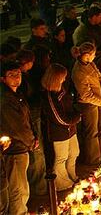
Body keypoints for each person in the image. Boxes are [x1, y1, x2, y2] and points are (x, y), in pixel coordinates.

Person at [0, 60, 37, 215]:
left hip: (21, 146)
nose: (16, 77)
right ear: (2, 79)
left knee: (21, 187)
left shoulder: (16, 95)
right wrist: (31, 141)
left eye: (18, 74)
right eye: (11, 75)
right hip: (14, 149)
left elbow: (26, 119)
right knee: (18, 189)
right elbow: (17, 127)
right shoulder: (6, 100)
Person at [41, 63, 81, 191]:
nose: (64, 79)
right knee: (61, 157)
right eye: (62, 77)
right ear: (55, 79)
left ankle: (71, 175)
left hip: (70, 128)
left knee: (74, 152)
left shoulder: (62, 90)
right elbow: (58, 117)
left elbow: (70, 105)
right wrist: (75, 118)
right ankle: (62, 182)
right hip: (59, 132)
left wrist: (75, 115)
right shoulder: (50, 96)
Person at [71, 42, 101, 168]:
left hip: (99, 101)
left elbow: (100, 78)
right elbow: (86, 95)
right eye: (93, 55)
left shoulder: (90, 64)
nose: (94, 57)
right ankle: (93, 159)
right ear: (87, 55)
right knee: (91, 132)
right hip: (88, 104)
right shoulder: (79, 71)